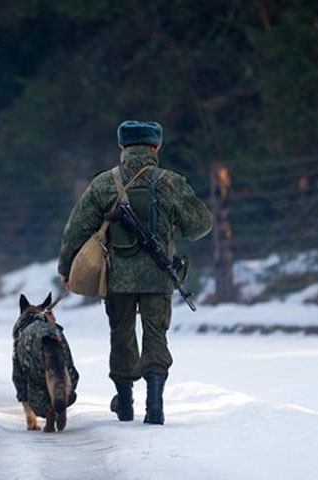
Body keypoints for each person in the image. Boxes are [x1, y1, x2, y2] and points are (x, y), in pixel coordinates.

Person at [57, 121, 212, 424]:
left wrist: (66, 268)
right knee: (156, 334)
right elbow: (200, 225)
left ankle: (125, 404)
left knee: (121, 334)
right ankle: (155, 407)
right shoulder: (170, 182)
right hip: (158, 276)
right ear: (156, 148)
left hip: (117, 277)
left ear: (122, 147)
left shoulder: (104, 184)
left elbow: (75, 230)